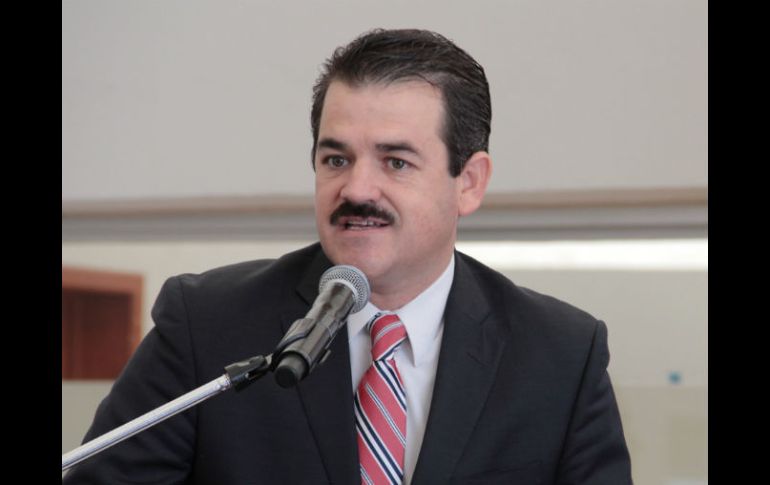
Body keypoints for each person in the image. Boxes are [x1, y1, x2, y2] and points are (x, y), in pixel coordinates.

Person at [64, 28, 632, 484]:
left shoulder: (561, 353)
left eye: (396, 162)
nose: (357, 189)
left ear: (469, 182)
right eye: (336, 159)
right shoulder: (206, 325)